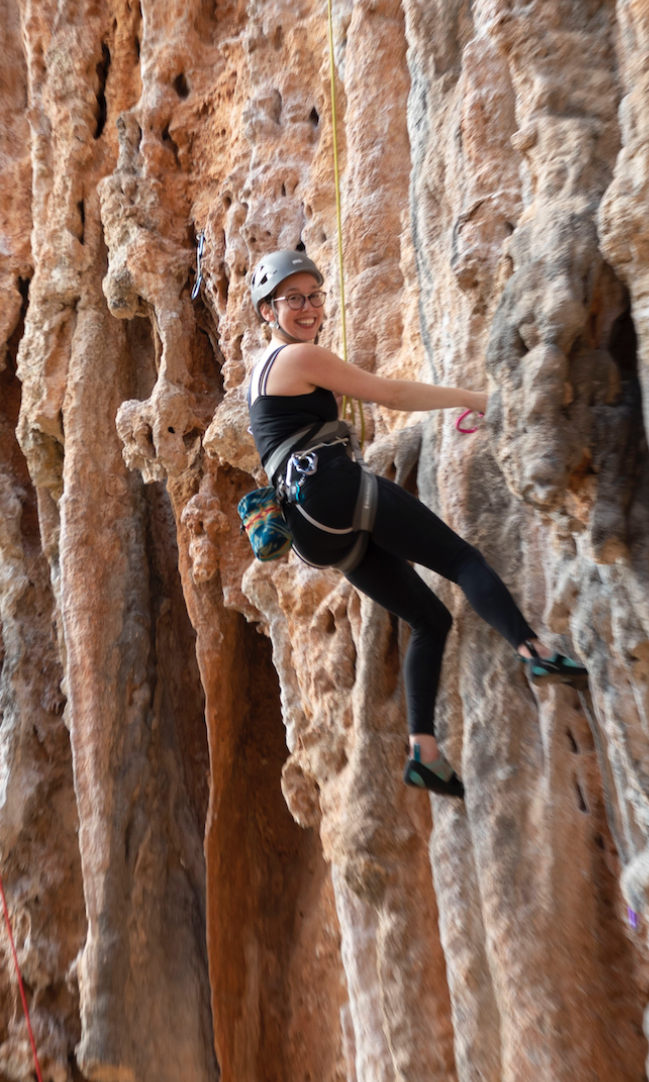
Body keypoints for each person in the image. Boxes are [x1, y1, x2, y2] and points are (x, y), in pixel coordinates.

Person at [245, 246, 587, 799]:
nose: (308, 308)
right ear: (269, 311)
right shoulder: (298, 358)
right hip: (330, 489)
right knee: (461, 560)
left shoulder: (259, 373)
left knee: (430, 620)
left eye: (314, 296)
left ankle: (424, 751)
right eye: (293, 300)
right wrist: (475, 398)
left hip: (311, 531)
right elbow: (392, 393)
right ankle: (535, 653)